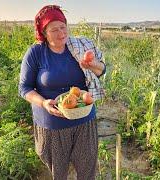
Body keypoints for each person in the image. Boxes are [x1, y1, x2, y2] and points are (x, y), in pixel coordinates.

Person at [18, 5, 106, 180]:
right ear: (44, 33)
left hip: (84, 120)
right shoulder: (35, 53)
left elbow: (102, 70)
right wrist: (43, 103)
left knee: (87, 170)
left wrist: (92, 65)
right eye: (54, 30)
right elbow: (24, 88)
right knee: (58, 174)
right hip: (53, 125)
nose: (61, 33)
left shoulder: (79, 47)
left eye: (63, 27)